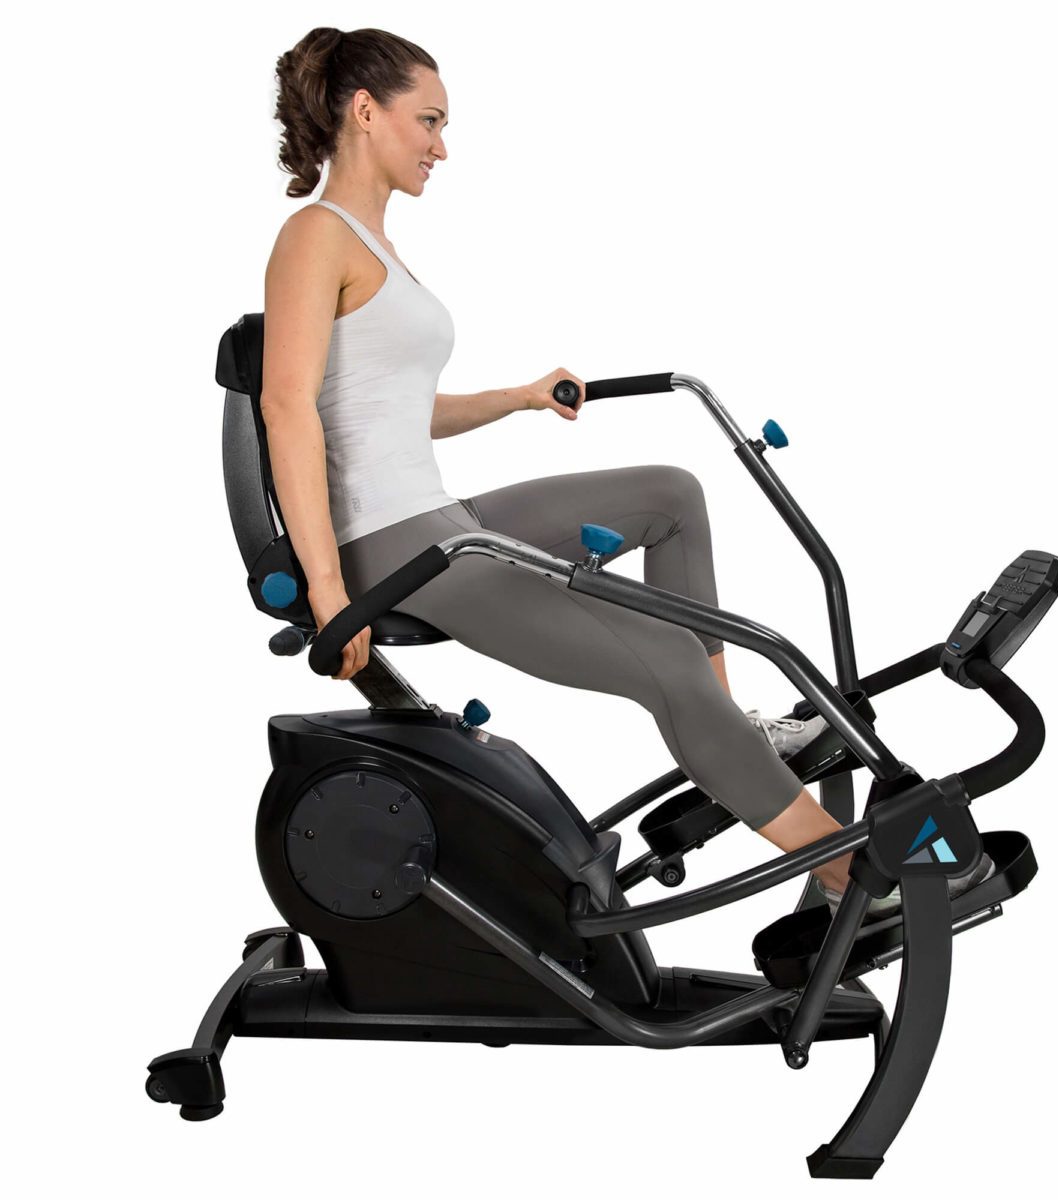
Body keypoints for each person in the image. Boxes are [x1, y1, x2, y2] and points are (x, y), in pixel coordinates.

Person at [263, 26, 993, 917]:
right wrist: (331, 592)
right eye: (430, 121)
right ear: (366, 112)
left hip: (440, 517)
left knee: (670, 495)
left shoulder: (373, 244)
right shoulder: (315, 236)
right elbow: (287, 408)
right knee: (664, 658)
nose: (442, 147)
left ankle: (733, 731)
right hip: (393, 545)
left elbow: (385, 411)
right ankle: (849, 878)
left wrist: (520, 398)